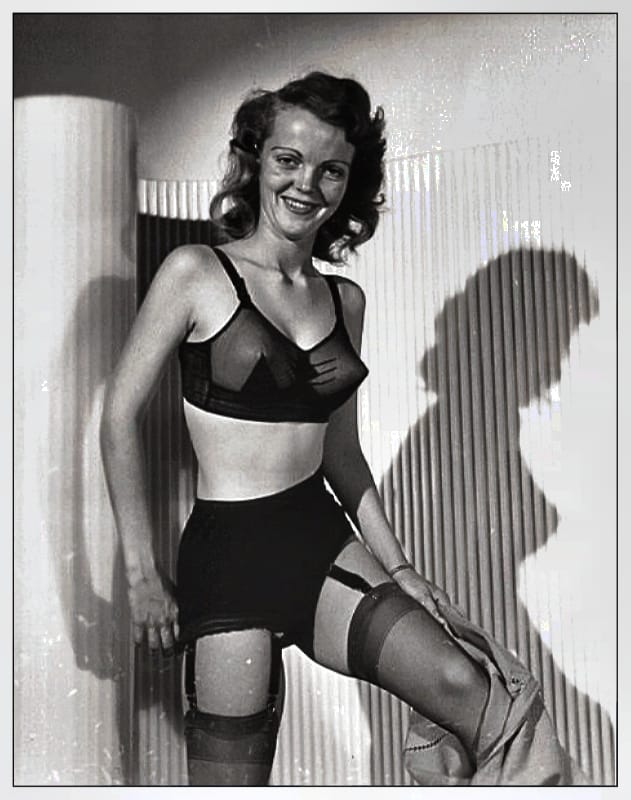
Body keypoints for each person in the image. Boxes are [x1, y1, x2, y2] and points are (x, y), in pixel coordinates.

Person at [100, 72, 581, 786]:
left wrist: (402, 571)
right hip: (228, 558)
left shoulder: (343, 299)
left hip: (319, 540)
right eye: (288, 160)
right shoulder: (195, 272)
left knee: (466, 686)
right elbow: (117, 418)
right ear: (256, 159)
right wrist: (142, 574)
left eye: (331, 170)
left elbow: (342, 454)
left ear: (350, 183)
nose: (306, 185)